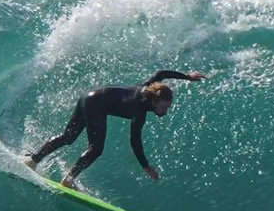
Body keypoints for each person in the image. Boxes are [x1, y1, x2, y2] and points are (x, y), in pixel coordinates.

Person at [25, 69, 207, 189]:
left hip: (89, 97)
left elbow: (162, 73)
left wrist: (187, 77)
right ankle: (68, 180)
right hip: (96, 105)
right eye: (163, 107)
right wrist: (145, 165)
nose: (165, 111)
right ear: (154, 101)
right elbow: (134, 140)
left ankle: (33, 161)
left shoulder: (150, 86)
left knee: (68, 137)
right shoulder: (139, 109)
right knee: (95, 150)